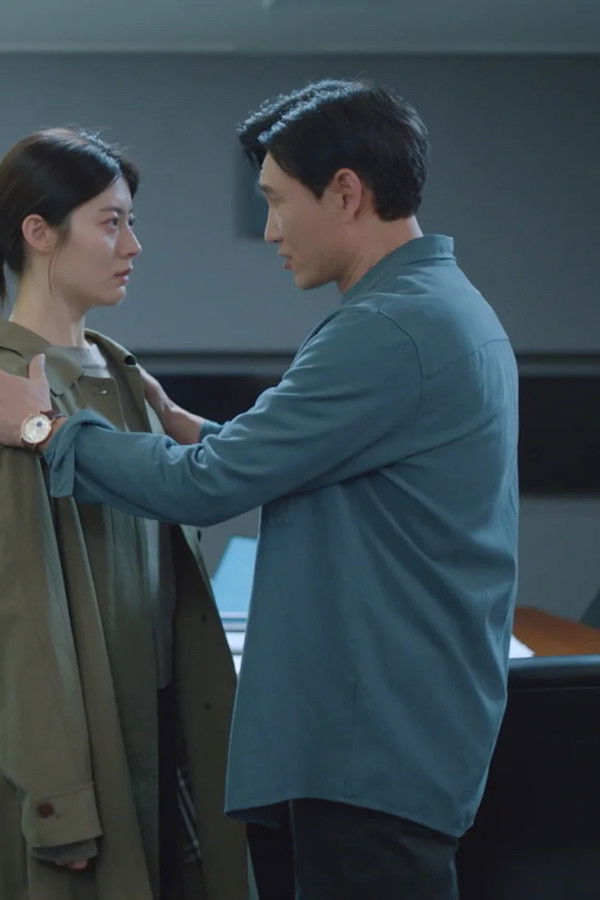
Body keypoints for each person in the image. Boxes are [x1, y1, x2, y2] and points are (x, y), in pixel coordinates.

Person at [0, 81, 519, 899]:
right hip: (398, 740)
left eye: (276, 202)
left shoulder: (387, 329)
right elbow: (313, 458)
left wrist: (46, 431)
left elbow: (210, 486)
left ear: (345, 192)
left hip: (371, 752)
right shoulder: (439, 309)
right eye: (112, 222)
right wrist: (196, 431)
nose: (270, 230)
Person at [0, 129, 249, 899]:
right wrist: (60, 800)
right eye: (111, 223)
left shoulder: (118, 367)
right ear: (39, 232)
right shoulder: (11, 388)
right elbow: (22, 614)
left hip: (166, 731)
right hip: (87, 755)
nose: (133, 245)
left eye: (130, 222)